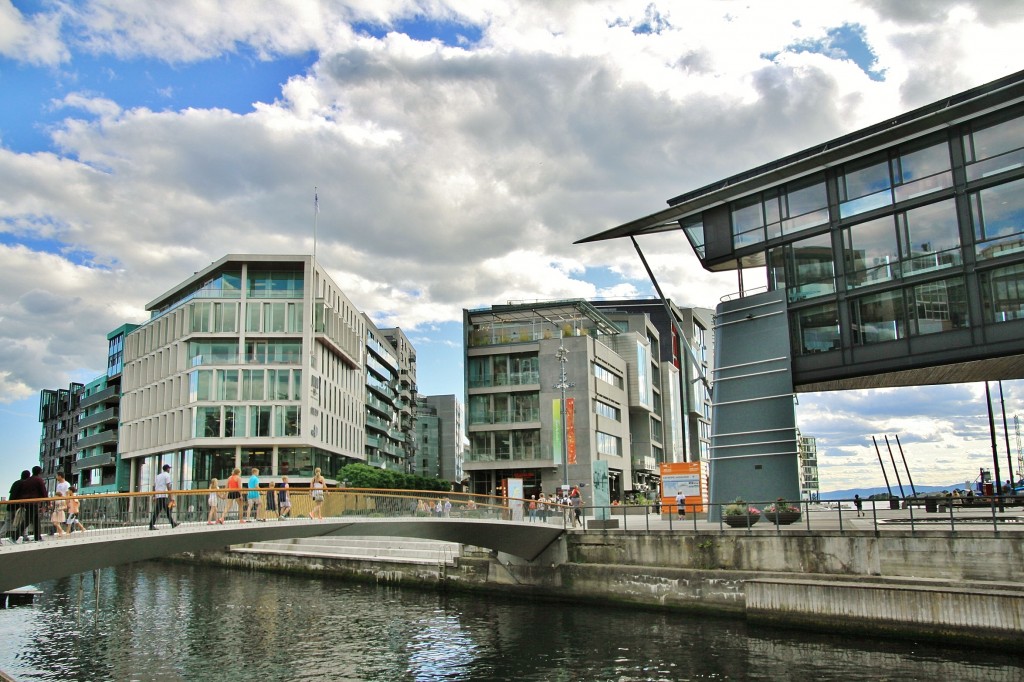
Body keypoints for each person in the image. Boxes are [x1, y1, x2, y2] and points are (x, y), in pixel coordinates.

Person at [149, 464, 178, 530]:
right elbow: (168, 486)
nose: (169, 470)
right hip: (163, 495)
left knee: (166, 510)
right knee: (158, 511)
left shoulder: (158, 476)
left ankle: (173, 523)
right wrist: (171, 496)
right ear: (167, 469)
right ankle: (151, 525)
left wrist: (154, 496)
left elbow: (154, 486)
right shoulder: (167, 475)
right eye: (169, 469)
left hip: (158, 495)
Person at [23, 466, 48, 542]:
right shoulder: (39, 480)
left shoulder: (28, 480)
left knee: (36, 520)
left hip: (27, 502)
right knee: (28, 520)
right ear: (40, 472)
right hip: (34, 503)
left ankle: (37, 537)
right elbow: (44, 492)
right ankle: (15, 536)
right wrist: (47, 502)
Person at [5, 470, 29, 543]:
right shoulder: (25, 484)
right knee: (24, 521)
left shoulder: (15, 482)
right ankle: (25, 536)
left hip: (10, 506)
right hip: (18, 507)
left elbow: (11, 494)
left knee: (8, 522)